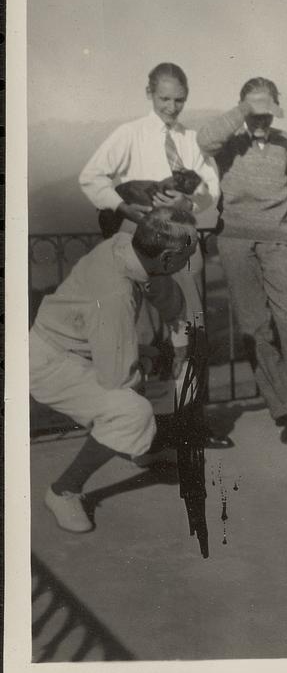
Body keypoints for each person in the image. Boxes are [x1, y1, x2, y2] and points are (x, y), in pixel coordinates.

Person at [79, 63, 228, 445]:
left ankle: (191, 424)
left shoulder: (193, 141)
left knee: (191, 327)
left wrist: (191, 201)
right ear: (149, 93)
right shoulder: (128, 135)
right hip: (139, 244)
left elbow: (211, 189)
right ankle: (139, 430)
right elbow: (91, 176)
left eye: (179, 100)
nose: (172, 107)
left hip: (183, 241)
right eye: (164, 98)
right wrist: (123, 207)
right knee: (139, 335)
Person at [30, 208, 199, 533]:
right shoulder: (115, 294)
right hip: (51, 362)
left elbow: (163, 291)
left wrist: (177, 345)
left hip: (82, 346)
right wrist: (150, 361)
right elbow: (117, 377)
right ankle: (63, 490)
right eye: (187, 255)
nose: (190, 260)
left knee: (153, 361)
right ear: (166, 257)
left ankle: (141, 449)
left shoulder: (127, 246)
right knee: (130, 412)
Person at [196, 77, 287, 449]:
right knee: (256, 328)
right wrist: (246, 108)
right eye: (255, 113)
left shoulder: (285, 143)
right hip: (235, 243)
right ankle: (286, 412)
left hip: (278, 244)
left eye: (267, 112)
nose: (262, 120)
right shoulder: (229, 141)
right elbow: (204, 140)